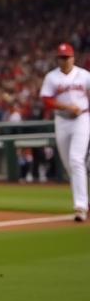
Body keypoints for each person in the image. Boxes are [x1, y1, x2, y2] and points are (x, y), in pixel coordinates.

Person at [40, 42, 90, 222]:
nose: (64, 60)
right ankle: (85, 199)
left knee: (76, 159)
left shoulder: (84, 75)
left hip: (82, 119)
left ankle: (80, 207)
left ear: (73, 57)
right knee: (70, 165)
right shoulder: (52, 77)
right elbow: (46, 100)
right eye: (61, 57)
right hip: (62, 120)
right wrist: (67, 106)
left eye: (67, 57)